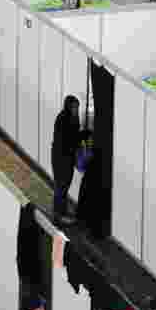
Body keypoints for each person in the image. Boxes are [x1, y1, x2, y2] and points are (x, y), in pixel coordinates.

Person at [52, 95, 89, 225]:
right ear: (68, 106)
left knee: (64, 185)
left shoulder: (72, 118)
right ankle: (59, 215)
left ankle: (62, 211)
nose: (76, 109)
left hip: (66, 157)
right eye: (74, 107)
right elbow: (69, 139)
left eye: (77, 107)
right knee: (61, 185)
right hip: (61, 158)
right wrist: (83, 135)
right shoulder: (63, 119)